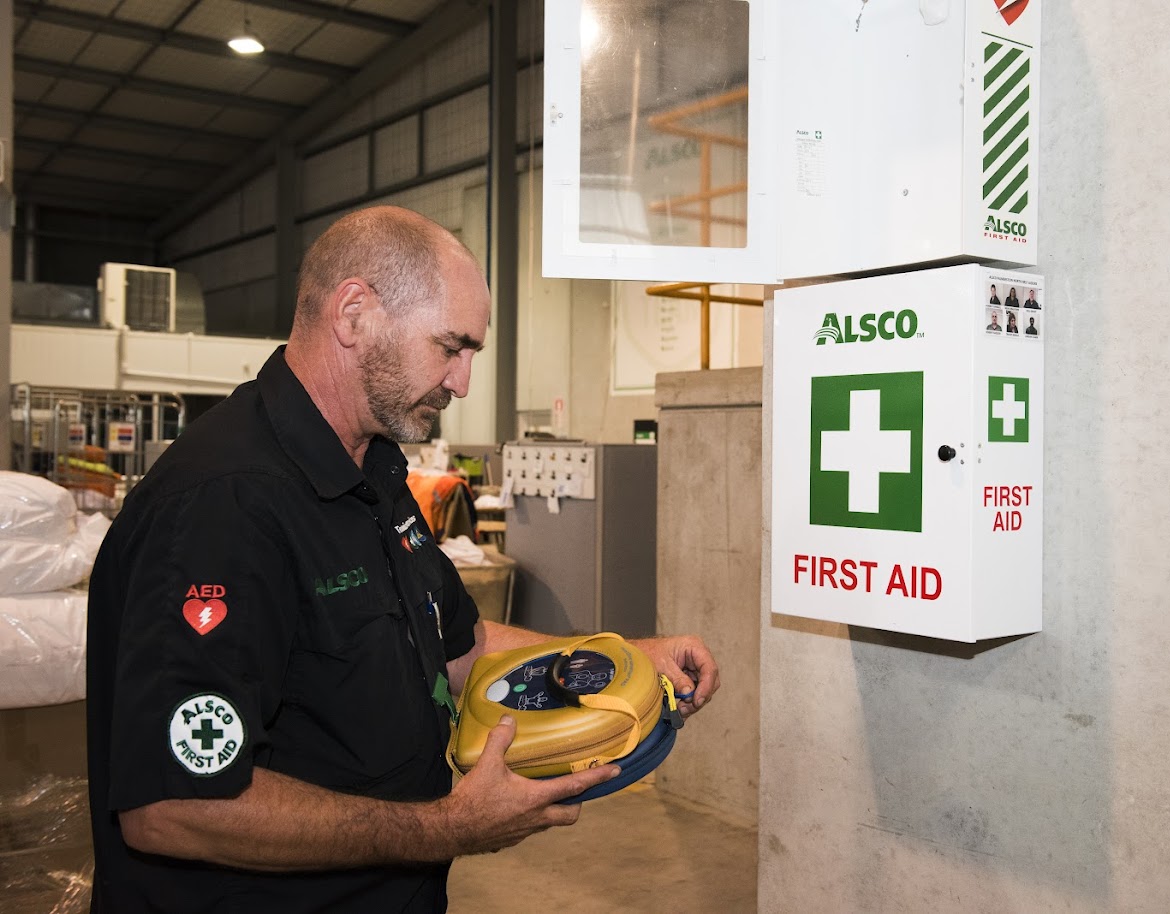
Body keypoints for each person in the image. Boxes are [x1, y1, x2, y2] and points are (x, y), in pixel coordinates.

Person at [85, 206, 720, 913]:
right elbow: (173, 807)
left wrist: (622, 658)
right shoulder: (225, 503)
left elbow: (458, 645)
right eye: (451, 346)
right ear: (354, 314)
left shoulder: (375, 472)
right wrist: (446, 827)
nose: (463, 381)